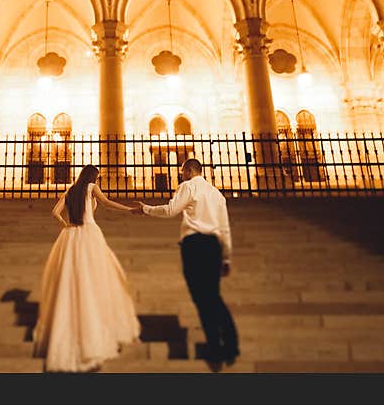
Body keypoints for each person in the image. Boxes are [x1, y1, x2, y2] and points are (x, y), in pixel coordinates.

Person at [33, 164, 141, 372]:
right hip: (89, 234)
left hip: (71, 235)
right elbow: (107, 202)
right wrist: (130, 209)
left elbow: (54, 212)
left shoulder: (70, 189)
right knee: (96, 278)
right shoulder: (91, 187)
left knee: (70, 280)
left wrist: (66, 225)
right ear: (94, 177)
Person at [134, 158, 239, 369]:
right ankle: (230, 344)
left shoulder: (188, 187)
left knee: (201, 298)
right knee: (213, 296)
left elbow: (171, 210)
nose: (180, 176)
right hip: (214, 246)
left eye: (182, 172)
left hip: (195, 246)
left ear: (190, 170)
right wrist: (226, 257)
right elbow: (225, 227)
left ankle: (216, 349)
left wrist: (145, 208)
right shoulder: (217, 194)